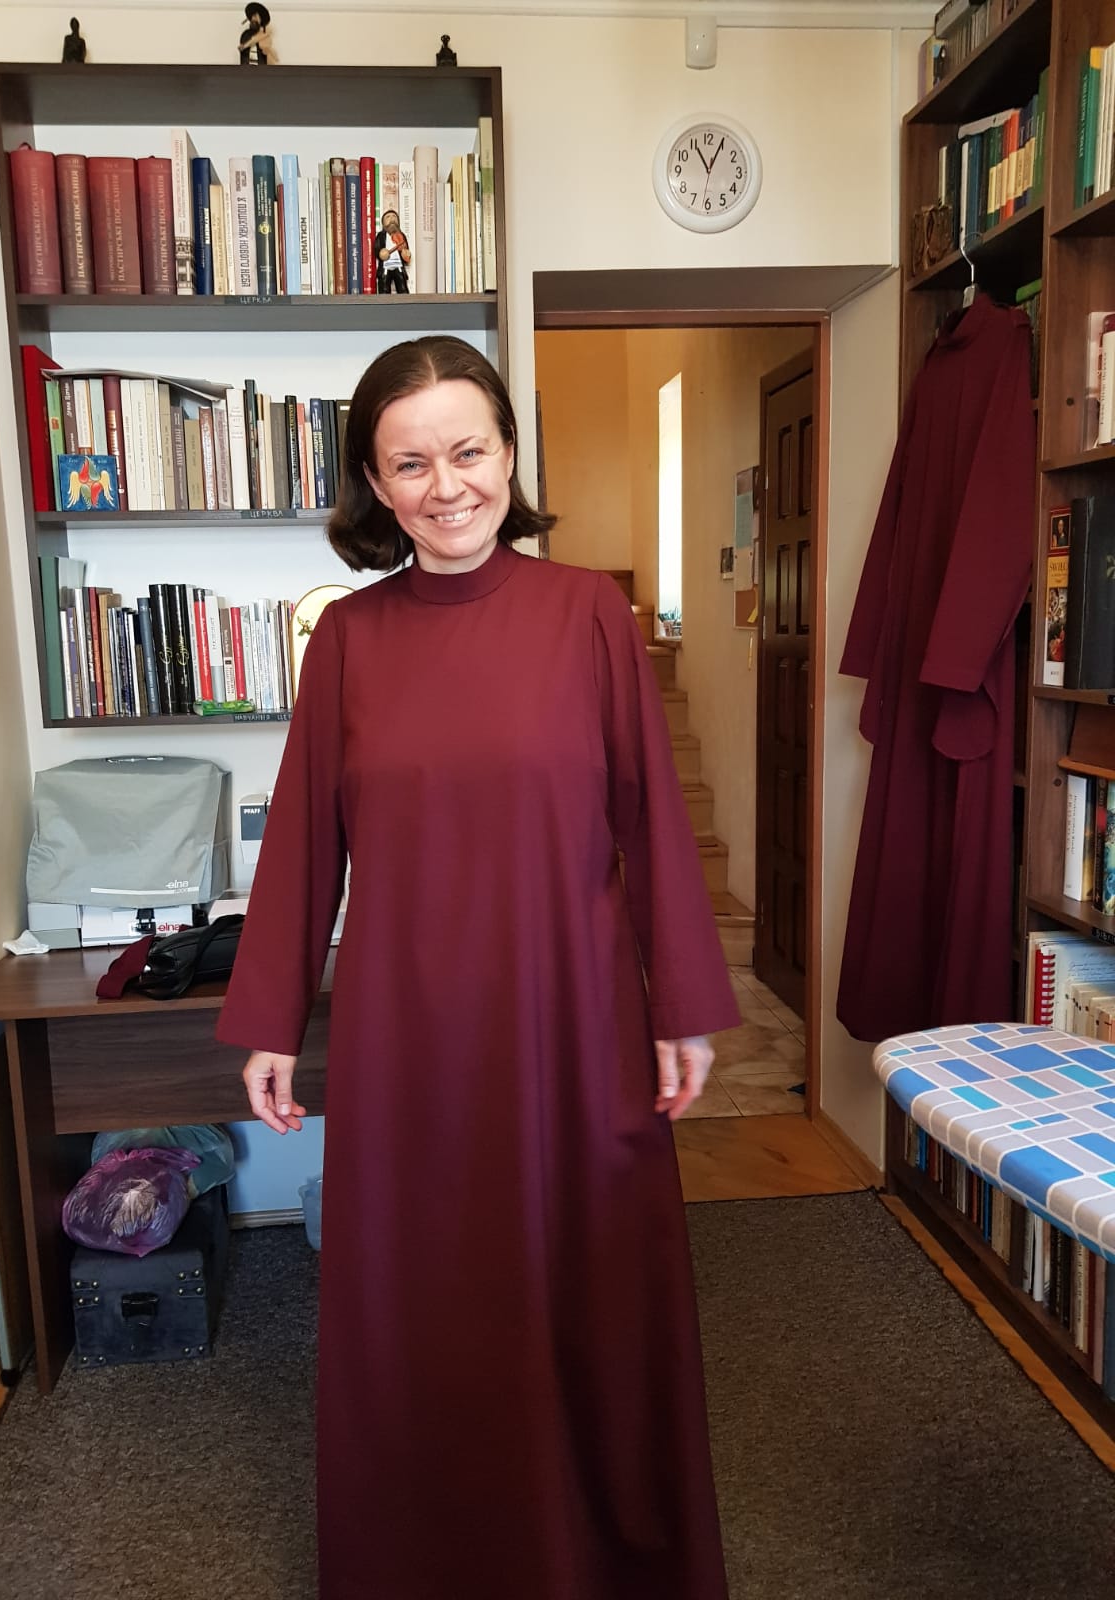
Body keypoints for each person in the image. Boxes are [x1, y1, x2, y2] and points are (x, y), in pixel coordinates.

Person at [216, 335, 740, 1598]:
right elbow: (306, 841)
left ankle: (604, 1559)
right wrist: (272, 1017)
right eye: (411, 463)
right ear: (374, 483)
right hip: (410, 1038)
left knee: (589, 1291)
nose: (446, 485)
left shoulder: (588, 613)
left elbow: (650, 820)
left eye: (469, 450)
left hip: (575, 1020)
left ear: (509, 452)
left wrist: (683, 1003)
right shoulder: (346, 639)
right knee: (430, 1306)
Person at [374, 208, 411, 293]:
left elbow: (405, 248)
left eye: (394, 217)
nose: (392, 219)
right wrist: (380, 253)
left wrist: (406, 254)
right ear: (383, 223)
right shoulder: (381, 236)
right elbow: (377, 248)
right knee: (384, 287)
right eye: (388, 217)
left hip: (398, 265)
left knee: (402, 286)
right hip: (386, 266)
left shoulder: (401, 236)